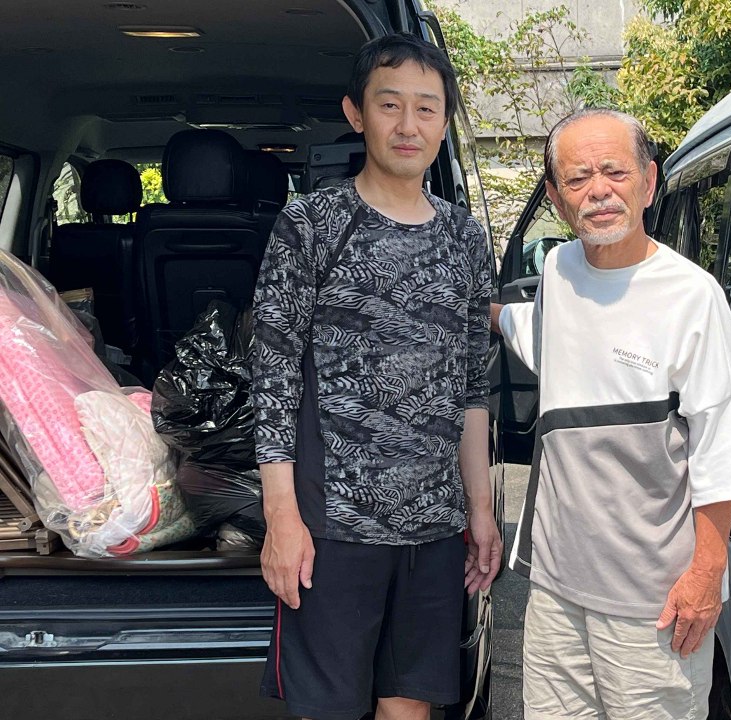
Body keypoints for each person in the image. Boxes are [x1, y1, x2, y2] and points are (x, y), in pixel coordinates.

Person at [251, 32, 500, 720]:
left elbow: (471, 390)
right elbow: (273, 378)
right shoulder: (312, 223)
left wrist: (480, 513)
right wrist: (281, 518)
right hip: (333, 528)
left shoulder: (465, 237)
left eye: (426, 108)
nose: (408, 124)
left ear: (444, 123)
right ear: (356, 114)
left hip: (434, 530)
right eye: (390, 105)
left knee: (410, 709)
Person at [492, 109, 731, 719]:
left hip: (653, 601)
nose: (599, 191)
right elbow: (539, 335)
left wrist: (706, 575)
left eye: (615, 171)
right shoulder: (557, 271)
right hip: (554, 589)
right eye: (577, 178)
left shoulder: (691, 295)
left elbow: (719, 442)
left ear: (649, 181)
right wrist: (470, 310)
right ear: (556, 198)